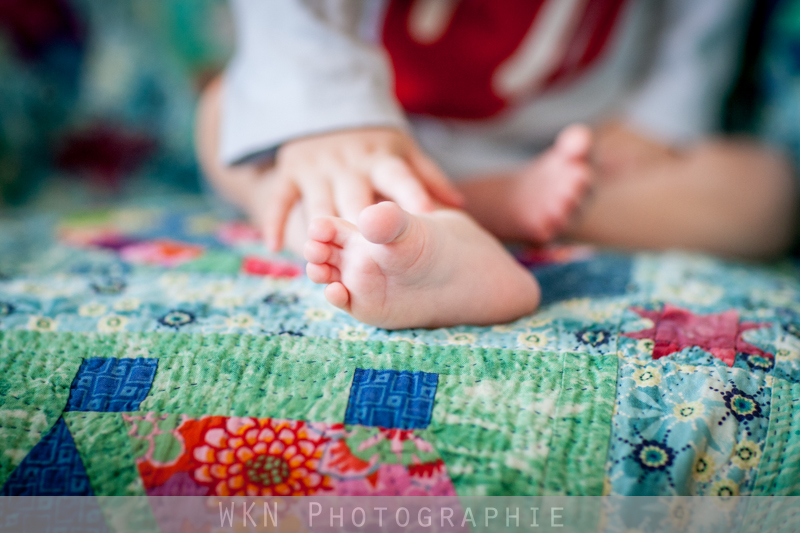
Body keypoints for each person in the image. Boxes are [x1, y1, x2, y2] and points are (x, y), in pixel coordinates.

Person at [197, 0, 793, 330]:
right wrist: (323, 106)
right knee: (223, 113)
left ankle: (483, 210)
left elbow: (700, 20)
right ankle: (409, 237)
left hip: (571, 152)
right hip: (369, 130)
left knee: (763, 191)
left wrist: (658, 117)